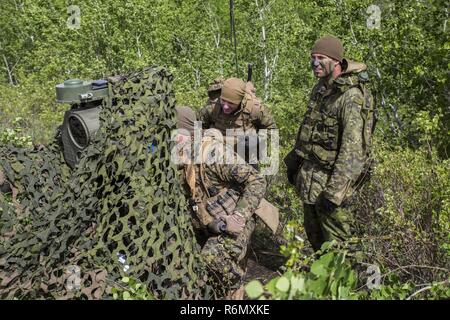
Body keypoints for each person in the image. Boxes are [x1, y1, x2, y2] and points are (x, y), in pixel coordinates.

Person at [284, 35, 375, 252]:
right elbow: (310, 129)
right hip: (311, 184)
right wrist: (295, 161)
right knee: (318, 247)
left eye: (321, 58)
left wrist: (333, 194)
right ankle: (321, 285)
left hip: (333, 188)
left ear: (335, 61)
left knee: (339, 252)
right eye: (313, 58)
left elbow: (353, 152)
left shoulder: (351, 97)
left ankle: (345, 287)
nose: (315, 63)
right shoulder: (320, 88)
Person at [174, 106, 267, 299]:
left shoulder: (213, 153)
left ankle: (236, 289)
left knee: (212, 258)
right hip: (207, 223)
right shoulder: (180, 157)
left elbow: (257, 180)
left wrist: (239, 215)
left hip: (235, 220)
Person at [197, 77, 277, 166]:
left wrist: (258, 139)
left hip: (246, 161)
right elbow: (197, 127)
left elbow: (271, 129)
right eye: (223, 101)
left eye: (231, 103)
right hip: (217, 160)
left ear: (241, 101)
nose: (226, 107)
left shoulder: (254, 109)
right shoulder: (212, 107)